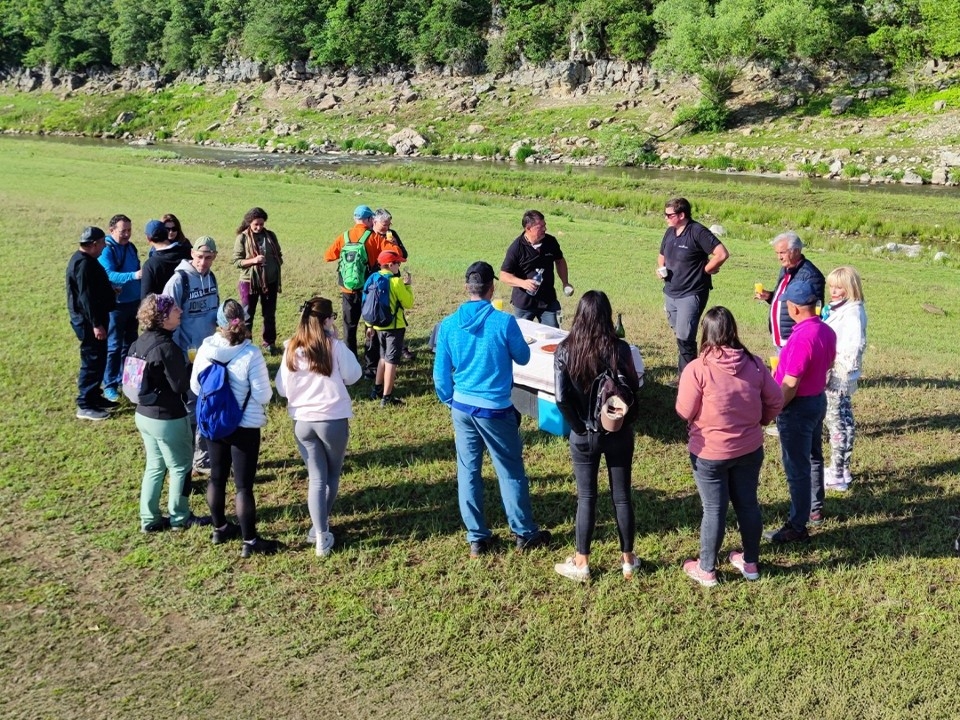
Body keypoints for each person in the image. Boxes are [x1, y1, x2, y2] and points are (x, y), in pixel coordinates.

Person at [433, 261, 551, 558]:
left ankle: (477, 537)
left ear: (466, 288)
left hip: (462, 406)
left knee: (468, 472)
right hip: (496, 409)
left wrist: (451, 399)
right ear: (491, 288)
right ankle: (524, 532)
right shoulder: (504, 322)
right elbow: (523, 357)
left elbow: (440, 376)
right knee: (510, 471)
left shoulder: (448, 325)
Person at [675, 307, 783, 586]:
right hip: (749, 449)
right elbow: (775, 399)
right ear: (734, 331)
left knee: (714, 509)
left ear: (706, 334)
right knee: (748, 504)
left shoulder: (697, 368)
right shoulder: (756, 364)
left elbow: (684, 410)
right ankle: (750, 562)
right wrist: (760, 420)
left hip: (709, 453)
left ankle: (707, 569)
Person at [552, 290, 642, 582]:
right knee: (622, 497)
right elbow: (634, 391)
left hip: (584, 435)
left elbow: (561, 398)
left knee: (586, 498)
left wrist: (579, 427)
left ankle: (582, 563)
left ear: (579, 315)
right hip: (618, 431)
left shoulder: (565, 349)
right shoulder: (621, 349)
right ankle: (628, 560)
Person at [276, 296, 362, 557]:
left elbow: (282, 387)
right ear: (326, 320)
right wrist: (338, 342)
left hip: (303, 422)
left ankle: (320, 533)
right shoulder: (333, 346)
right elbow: (353, 375)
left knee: (316, 478)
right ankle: (321, 528)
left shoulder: (291, 347)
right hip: (332, 420)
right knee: (332, 475)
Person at [190, 299, 277, 557]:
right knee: (243, 486)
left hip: (214, 424)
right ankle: (249, 541)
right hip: (244, 426)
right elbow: (263, 396)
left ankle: (219, 528)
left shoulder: (206, 349)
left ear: (219, 323)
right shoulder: (251, 354)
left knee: (216, 477)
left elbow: (196, 387)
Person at [129, 294, 211, 532]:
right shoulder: (167, 347)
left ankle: (149, 519)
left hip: (143, 416)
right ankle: (180, 516)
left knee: (154, 466)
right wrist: (191, 367)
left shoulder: (139, 342)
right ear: (163, 317)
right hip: (167, 418)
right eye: (175, 310)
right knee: (181, 467)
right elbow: (180, 385)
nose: (180, 312)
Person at [764, 280, 836, 544]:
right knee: (815, 457)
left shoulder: (801, 337)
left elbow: (790, 384)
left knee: (797, 468)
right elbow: (827, 363)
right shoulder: (826, 331)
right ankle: (815, 508)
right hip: (818, 400)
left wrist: (773, 409)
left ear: (793, 308)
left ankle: (797, 525)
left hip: (798, 408)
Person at [163, 236, 220, 474]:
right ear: (192, 255)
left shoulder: (212, 278)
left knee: (205, 406)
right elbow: (166, 320)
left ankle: (201, 457)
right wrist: (176, 358)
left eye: (208, 258)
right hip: (186, 359)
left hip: (208, 356)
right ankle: (193, 459)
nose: (203, 262)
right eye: (199, 257)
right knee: (191, 409)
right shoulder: (179, 281)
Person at [656, 197, 730, 381]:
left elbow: (722, 253)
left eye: (669, 215)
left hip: (691, 292)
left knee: (685, 337)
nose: (665, 218)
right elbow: (661, 255)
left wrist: (707, 269)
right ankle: (692, 373)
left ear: (681, 215)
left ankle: (689, 380)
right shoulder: (670, 232)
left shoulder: (698, 232)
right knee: (679, 333)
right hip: (671, 291)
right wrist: (660, 269)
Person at [323, 205, 402, 363]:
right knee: (370, 325)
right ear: (368, 220)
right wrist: (390, 241)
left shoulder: (344, 236)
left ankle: (348, 360)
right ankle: (370, 363)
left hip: (347, 288)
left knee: (349, 326)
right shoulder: (374, 237)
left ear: (355, 219)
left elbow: (328, 256)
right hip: (368, 289)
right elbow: (397, 254)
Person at [822, 267, 868, 492]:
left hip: (838, 375)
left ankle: (837, 475)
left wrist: (837, 369)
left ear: (851, 288)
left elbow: (854, 345)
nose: (834, 291)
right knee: (845, 421)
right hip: (838, 372)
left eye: (839, 287)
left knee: (836, 422)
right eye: (831, 286)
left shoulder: (852, 312)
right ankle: (842, 468)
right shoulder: (838, 308)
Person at [66, 226, 117, 421]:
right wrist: (96, 324)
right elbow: (85, 298)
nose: (104, 247)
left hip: (94, 319)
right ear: (94, 244)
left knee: (98, 358)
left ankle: (95, 396)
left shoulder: (86, 260)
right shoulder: (83, 264)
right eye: (103, 243)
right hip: (89, 323)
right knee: (91, 361)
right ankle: (85, 404)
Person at [499, 210, 573, 328]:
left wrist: (565, 282)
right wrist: (523, 283)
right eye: (541, 227)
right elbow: (504, 275)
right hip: (524, 303)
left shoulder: (551, 242)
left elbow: (560, 261)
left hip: (548, 300)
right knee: (521, 336)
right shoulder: (516, 248)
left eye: (545, 225)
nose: (545, 229)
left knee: (554, 334)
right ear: (528, 229)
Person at [755, 231, 825, 350]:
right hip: (781, 339)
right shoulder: (786, 269)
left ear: (796, 251)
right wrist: (770, 296)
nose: (779, 257)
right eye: (777, 253)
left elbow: (814, 311)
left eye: (782, 252)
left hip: (795, 340)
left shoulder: (810, 275)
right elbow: (788, 299)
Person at [99, 214, 141, 402]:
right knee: (114, 346)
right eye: (123, 230)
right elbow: (109, 274)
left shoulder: (131, 247)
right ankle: (109, 384)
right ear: (112, 230)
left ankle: (127, 381)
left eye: (129, 230)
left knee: (131, 345)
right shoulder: (107, 250)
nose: (126, 234)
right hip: (116, 307)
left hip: (133, 304)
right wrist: (133, 276)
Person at [368, 208, 415, 372]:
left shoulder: (392, 233)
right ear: (375, 221)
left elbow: (404, 255)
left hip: (394, 281)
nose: (387, 226)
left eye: (389, 223)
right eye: (384, 223)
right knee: (377, 316)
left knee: (396, 313)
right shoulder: (369, 235)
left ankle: (399, 348)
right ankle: (374, 359)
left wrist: (395, 244)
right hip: (377, 282)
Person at [233, 207, 283, 355]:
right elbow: (237, 261)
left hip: (270, 282)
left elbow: (278, 253)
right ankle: (245, 344)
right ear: (249, 222)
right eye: (256, 224)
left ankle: (269, 343)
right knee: (247, 314)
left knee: (269, 314)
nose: (259, 227)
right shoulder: (242, 238)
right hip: (249, 282)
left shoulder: (271, 236)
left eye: (261, 224)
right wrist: (253, 261)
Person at [367, 250, 414, 406]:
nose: (399, 267)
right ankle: (387, 397)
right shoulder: (396, 282)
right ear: (390, 265)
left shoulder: (372, 278)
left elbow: (367, 303)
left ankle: (377, 389)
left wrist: (369, 326)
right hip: (395, 327)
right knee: (391, 362)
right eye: (398, 263)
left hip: (377, 326)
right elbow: (408, 303)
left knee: (382, 357)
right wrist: (408, 287)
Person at [141, 219, 192, 298]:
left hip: (165, 310)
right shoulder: (187, 252)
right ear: (166, 233)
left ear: (148, 238)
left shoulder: (150, 265)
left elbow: (146, 299)